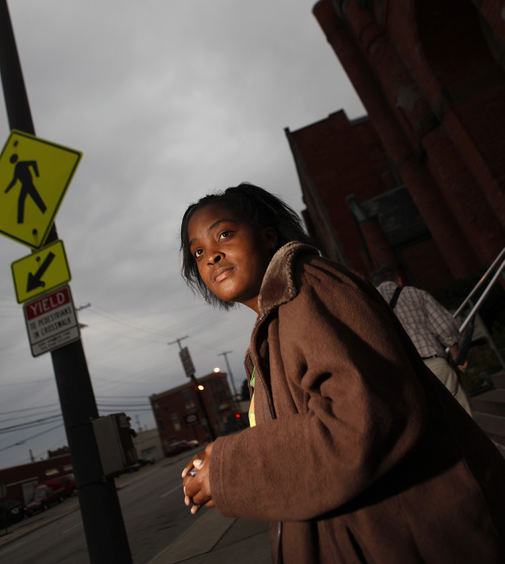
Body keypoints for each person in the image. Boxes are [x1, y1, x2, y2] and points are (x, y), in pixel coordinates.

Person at [179, 183, 505, 564]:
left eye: (224, 234)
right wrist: (217, 459)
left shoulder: (310, 287)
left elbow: (366, 421)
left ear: (268, 237)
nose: (212, 256)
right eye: (198, 252)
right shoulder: (268, 339)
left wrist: (231, 469)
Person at [372, 266, 472, 415]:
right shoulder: (415, 294)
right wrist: (456, 355)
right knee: (461, 414)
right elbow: (445, 327)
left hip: (403, 378)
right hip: (433, 364)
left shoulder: (372, 305)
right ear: (399, 280)